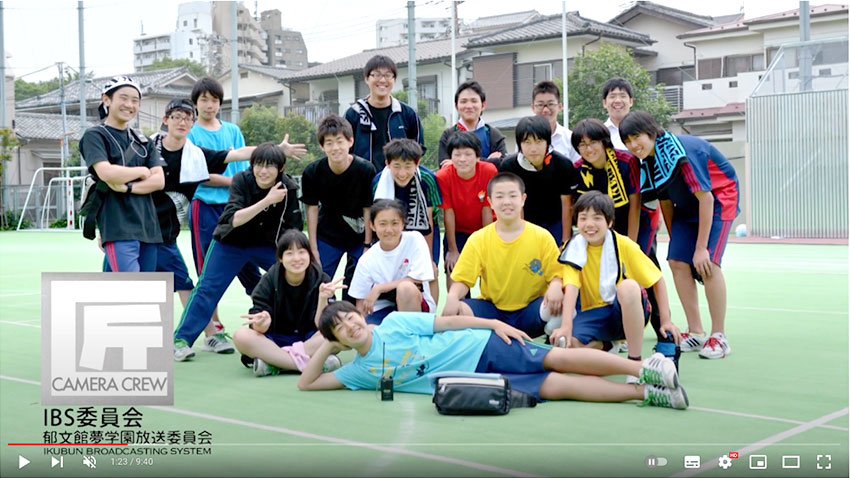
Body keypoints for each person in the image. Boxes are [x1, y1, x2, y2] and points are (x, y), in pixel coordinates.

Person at [296, 301, 689, 411]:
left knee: (557, 359)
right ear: (338, 340)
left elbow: (449, 323)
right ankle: (645, 393)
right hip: (475, 385)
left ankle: (644, 367)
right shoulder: (359, 372)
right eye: (340, 329)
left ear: (360, 314)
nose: (350, 326)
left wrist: (493, 324)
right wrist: (328, 344)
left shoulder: (395, 322)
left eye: (350, 317)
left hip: (480, 345)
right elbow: (307, 383)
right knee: (558, 387)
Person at [104, 98, 266, 350]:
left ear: (192, 124)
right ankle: (113, 338)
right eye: (177, 117)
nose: (182, 122)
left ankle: (208, 334)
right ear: (165, 120)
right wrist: (105, 230)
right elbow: (113, 184)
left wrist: (273, 149)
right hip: (132, 229)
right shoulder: (144, 149)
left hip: (164, 235)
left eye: (188, 118)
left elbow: (235, 154)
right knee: (123, 286)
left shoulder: (195, 155)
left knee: (181, 283)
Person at [620, 111, 740, 359]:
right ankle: (696, 331)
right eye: (627, 141)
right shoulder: (648, 161)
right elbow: (665, 201)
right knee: (676, 261)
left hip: (718, 200)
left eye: (637, 137)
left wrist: (700, 248)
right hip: (686, 205)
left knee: (708, 264)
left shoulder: (681, 151)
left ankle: (719, 336)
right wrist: (679, 241)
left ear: (651, 132)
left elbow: (706, 198)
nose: (633, 145)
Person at [174, 143, 304, 361]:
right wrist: (267, 200)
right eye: (259, 165)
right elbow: (234, 219)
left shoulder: (288, 187)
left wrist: (294, 257)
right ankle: (180, 340)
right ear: (252, 166)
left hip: (266, 245)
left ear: (280, 168)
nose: (263, 171)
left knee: (294, 278)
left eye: (270, 166)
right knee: (208, 288)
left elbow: (293, 228)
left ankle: (296, 334)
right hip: (230, 243)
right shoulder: (242, 181)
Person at [551, 192, 681, 377]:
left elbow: (657, 280)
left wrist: (666, 320)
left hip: (621, 311)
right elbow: (571, 286)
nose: (589, 224)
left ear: (610, 222)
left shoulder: (623, 244)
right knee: (568, 346)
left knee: (628, 287)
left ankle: (634, 361)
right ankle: (605, 345)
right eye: (583, 218)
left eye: (597, 218)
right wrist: (566, 326)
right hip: (592, 314)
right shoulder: (572, 248)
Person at [443, 172, 564, 339]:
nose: (506, 202)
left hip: (531, 311)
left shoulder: (541, 236)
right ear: (490, 202)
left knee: (564, 302)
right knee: (457, 309)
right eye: (499, 197)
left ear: (523, 199)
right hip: (492, 311)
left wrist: (556, 285)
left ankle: (551, 342)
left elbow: (558, 274)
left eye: (512, 196)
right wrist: (452, 296)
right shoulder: (479, 239)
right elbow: (463, 280)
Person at [79, 75, 165, 272]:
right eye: (123, 98)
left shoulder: (143, 141)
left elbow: (159, 180)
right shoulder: (95, 136)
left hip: (149, 228)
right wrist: (142, 171)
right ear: (106, 99)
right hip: (118, 227)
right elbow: (106, 172)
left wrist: (127, 187)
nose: (129, 105)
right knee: (130, 285)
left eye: (135, 100)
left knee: (139, 287)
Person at [234, 230, 345, 376]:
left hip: (309, 340)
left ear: (309, 255)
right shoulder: (269, 279)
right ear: (280, 258)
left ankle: (275, 364)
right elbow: (258, 324)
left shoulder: (321, 279)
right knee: (241, 336)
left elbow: (323, 325)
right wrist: (262, 322)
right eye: (289, 253)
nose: (296, 258)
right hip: (274, 340)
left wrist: (323, 298)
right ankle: (308, 365)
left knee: (338, 333)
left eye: (301, 252)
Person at [301, 114, 376, 304]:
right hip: (328, 236)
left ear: (350, 141)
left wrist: (367, 245)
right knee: (318, 281)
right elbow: (311, 209)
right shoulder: (312, 172)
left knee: (360, 284)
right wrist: (313, 248)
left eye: (340, 141)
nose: (335, 147)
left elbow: (368, 209)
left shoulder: (366, 170)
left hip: (359, 236)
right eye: (329, 143)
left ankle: (356, 317)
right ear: (322, 146)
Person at [371, 139, 442, 301]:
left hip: (424, 233)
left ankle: (431, 311)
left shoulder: (427, 179)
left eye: (408, 166)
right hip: (392, 231)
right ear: (387, 163)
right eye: (397, 166)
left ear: (417, 163)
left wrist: (429, 258)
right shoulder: (378, 182)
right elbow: (375, 216)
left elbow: (428, 221)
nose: (402, 173)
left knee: (430, 272)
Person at [348, 200, 436, 324]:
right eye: (382, 224)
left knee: (405, 288)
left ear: (403, 224)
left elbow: (417, 279)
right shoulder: (366, 260)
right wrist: (363, 327)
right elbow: (361, 302)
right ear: (372, 225)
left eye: (395, 223)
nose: (389, 230)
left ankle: (412, 334)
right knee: (371, 330)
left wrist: (379, 288)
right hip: (382, 310)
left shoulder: (415, 239)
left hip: (415, 305)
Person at [498, 116, 579, 246]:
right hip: (526, 222)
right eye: (527, 142)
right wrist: (520, 238)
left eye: (539, 141)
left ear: (548, 141)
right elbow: (515, 203)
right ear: (519, 144)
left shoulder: (563, 164)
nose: (533, 148)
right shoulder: (509, 166)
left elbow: (566, 204)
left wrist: (565, 242)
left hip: (556, 222)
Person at [435, 131, 497, 291]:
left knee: (491, 273)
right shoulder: (443, 176)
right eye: (457, 154)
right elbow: (448, 213)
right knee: (454, 272)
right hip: (458, 232)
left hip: (485, 229)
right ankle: (458, 304)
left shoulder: (489, 171)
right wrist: (453, 249)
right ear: (450, 157)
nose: (462, 159)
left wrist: (487, 245)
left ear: (477, 157)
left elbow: (487, 209)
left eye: (468, 154)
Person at [344, 55, 424, 173]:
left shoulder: (407, 113)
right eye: (376, 75)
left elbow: (418, 148)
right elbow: (344, 150)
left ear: (394, 79)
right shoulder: (354, 114)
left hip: (399, 178)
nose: (382, 80)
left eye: (388, 75)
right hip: (363, 179)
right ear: (366, 79)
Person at [571, 118, 640, 240]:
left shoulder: (627, 161)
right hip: (600, 225)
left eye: (593, 142)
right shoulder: (577, 169)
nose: (589, 149)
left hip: (635, 220)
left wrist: (631, 243)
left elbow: (636, 204)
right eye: (582, 145)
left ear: (604, 142)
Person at [437, 81, 507, 166]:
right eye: (464, 101)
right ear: (456, 106)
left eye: (474, 101)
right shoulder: (447, 135)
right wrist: (489, 162)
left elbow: (503, 166)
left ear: (483, 105)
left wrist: (457, 163)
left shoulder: (494, 135)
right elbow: (445, 167)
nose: (469, 106)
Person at [531, 80, 580, 163]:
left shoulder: (570, 138)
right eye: (540, 105)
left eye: (550, 104)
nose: (545, 110)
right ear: (533, 108)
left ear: (560, 106)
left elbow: (577, 167)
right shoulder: (525, 138)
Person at [601, 77, 635, 151]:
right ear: (604, 103)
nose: (618, 101)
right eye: (612, 96)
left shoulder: (643, 131)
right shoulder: (599, 133)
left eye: (623, 96)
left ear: (631, 101)